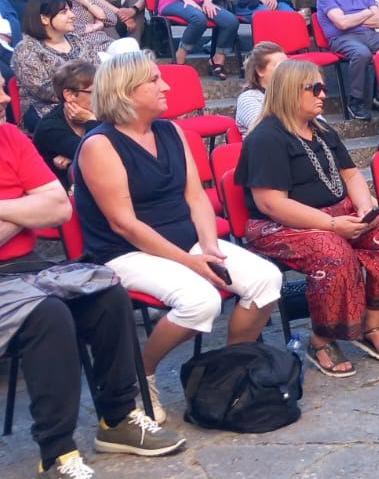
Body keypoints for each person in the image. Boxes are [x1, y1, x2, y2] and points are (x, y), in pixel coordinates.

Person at [74, 51, 283, 417]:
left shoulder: (171, 131)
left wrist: (209, 247)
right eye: (154, 80)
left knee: (266, 279)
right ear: (125, 90)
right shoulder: (99, 145)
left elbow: (196, 196)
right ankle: (141, 374)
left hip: (187, 241)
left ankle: (228, 372)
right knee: (201, 300)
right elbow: (124, 224)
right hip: (125, 252)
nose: (166, 86)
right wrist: (190, 262)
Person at [0, 86, 185, 477]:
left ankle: (117, 419)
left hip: (28, 267)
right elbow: (42, 205)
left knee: (106, 292)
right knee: (48, 315)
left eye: (3, 89)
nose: (4, 100)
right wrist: (26, 208)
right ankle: (56, 452)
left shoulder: (10, 136)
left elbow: (57, 207)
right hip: (14, 284)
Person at [240, 59, 379, 376]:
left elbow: (350, 175)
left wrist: (363, 209)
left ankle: (369, 324)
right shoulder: (265, 137)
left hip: (338, 214)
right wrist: (332, 225)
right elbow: (270, 203)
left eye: (323, 87)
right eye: (315, 88)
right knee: (335, 255)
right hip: (281, 226)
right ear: (290, 91)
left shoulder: (321, 129)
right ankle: (321, 340)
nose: (323, 94)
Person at [12, 0, 96, 130]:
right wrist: (83, 99)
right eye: (64, 12)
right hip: (47, 111)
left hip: (90, 100)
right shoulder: (26, 49)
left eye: (70, 10)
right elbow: (43, 90)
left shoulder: (77, 40)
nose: (72, 16)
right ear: (44, 18)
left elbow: (99, 72)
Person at [31, 60, 99, 184]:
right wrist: (90, 120)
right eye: (94, 92)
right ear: (69, 95)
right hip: (60, 190)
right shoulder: (50, 128)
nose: (101, 96)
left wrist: (76, 156)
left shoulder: (102, 113)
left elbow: (121, 146)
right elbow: (99, 155)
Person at [235, 41, 286, 136]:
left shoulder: (292, 93)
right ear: (260, 70)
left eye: (287, 65)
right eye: (279, 66)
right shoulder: (248, 98)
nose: (287, 70)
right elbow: (265, 131)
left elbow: (316, 126)